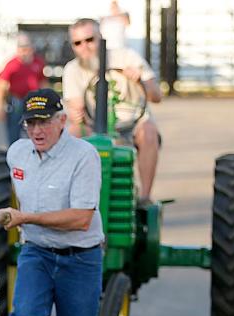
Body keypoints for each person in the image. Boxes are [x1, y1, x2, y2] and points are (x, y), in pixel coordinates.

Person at [0, 89, 103, 316]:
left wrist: (25, 217)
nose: (36, 129)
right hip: (37, 253)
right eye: (30, 122)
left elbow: (81, 219)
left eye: (44, 121)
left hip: (81, 259)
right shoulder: (17, 152)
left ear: (62, 121)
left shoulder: (84, 156)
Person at [62, 18, 162, 201]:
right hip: (95, 127)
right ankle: (73, 198)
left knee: (149, 131)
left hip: (133, 125)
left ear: (101, 38)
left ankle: (145, 197)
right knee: (73, 133)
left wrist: (140, 80)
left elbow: (157, 96)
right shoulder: (72, 69)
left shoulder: (126, 57)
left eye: (90, 40)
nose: (85, 46)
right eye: (78, 43)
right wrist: (74, 112)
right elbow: (76, 111)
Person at [0, 33, 48, 145]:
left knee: (36, 134)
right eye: (21, 49)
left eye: (26, 49)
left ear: (32, 49)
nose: (24, 52)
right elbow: (0, 86)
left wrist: (46, 103)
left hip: (34, 102)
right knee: (14, 135)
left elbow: (43, 83)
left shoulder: (38, 62)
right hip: (17, 102)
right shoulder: (12, 65)